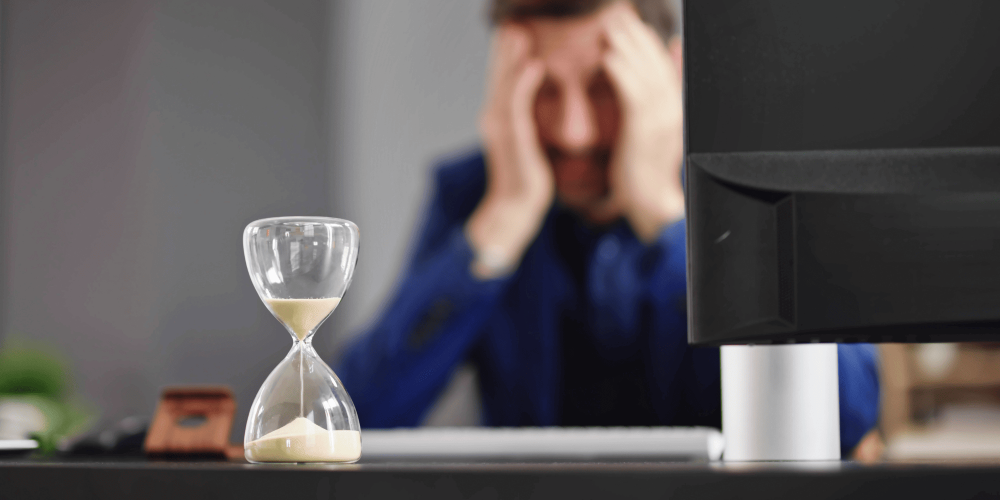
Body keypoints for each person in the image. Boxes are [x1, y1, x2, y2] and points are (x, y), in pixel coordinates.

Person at [337, 0, 881, 457]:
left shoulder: (756, 190)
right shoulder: (475, 197)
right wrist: (500, 225)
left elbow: (846, 416)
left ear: (668, 73)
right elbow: (348, 422)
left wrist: (669, 223)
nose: (575, 133)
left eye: (603, 86)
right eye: (544, 90)